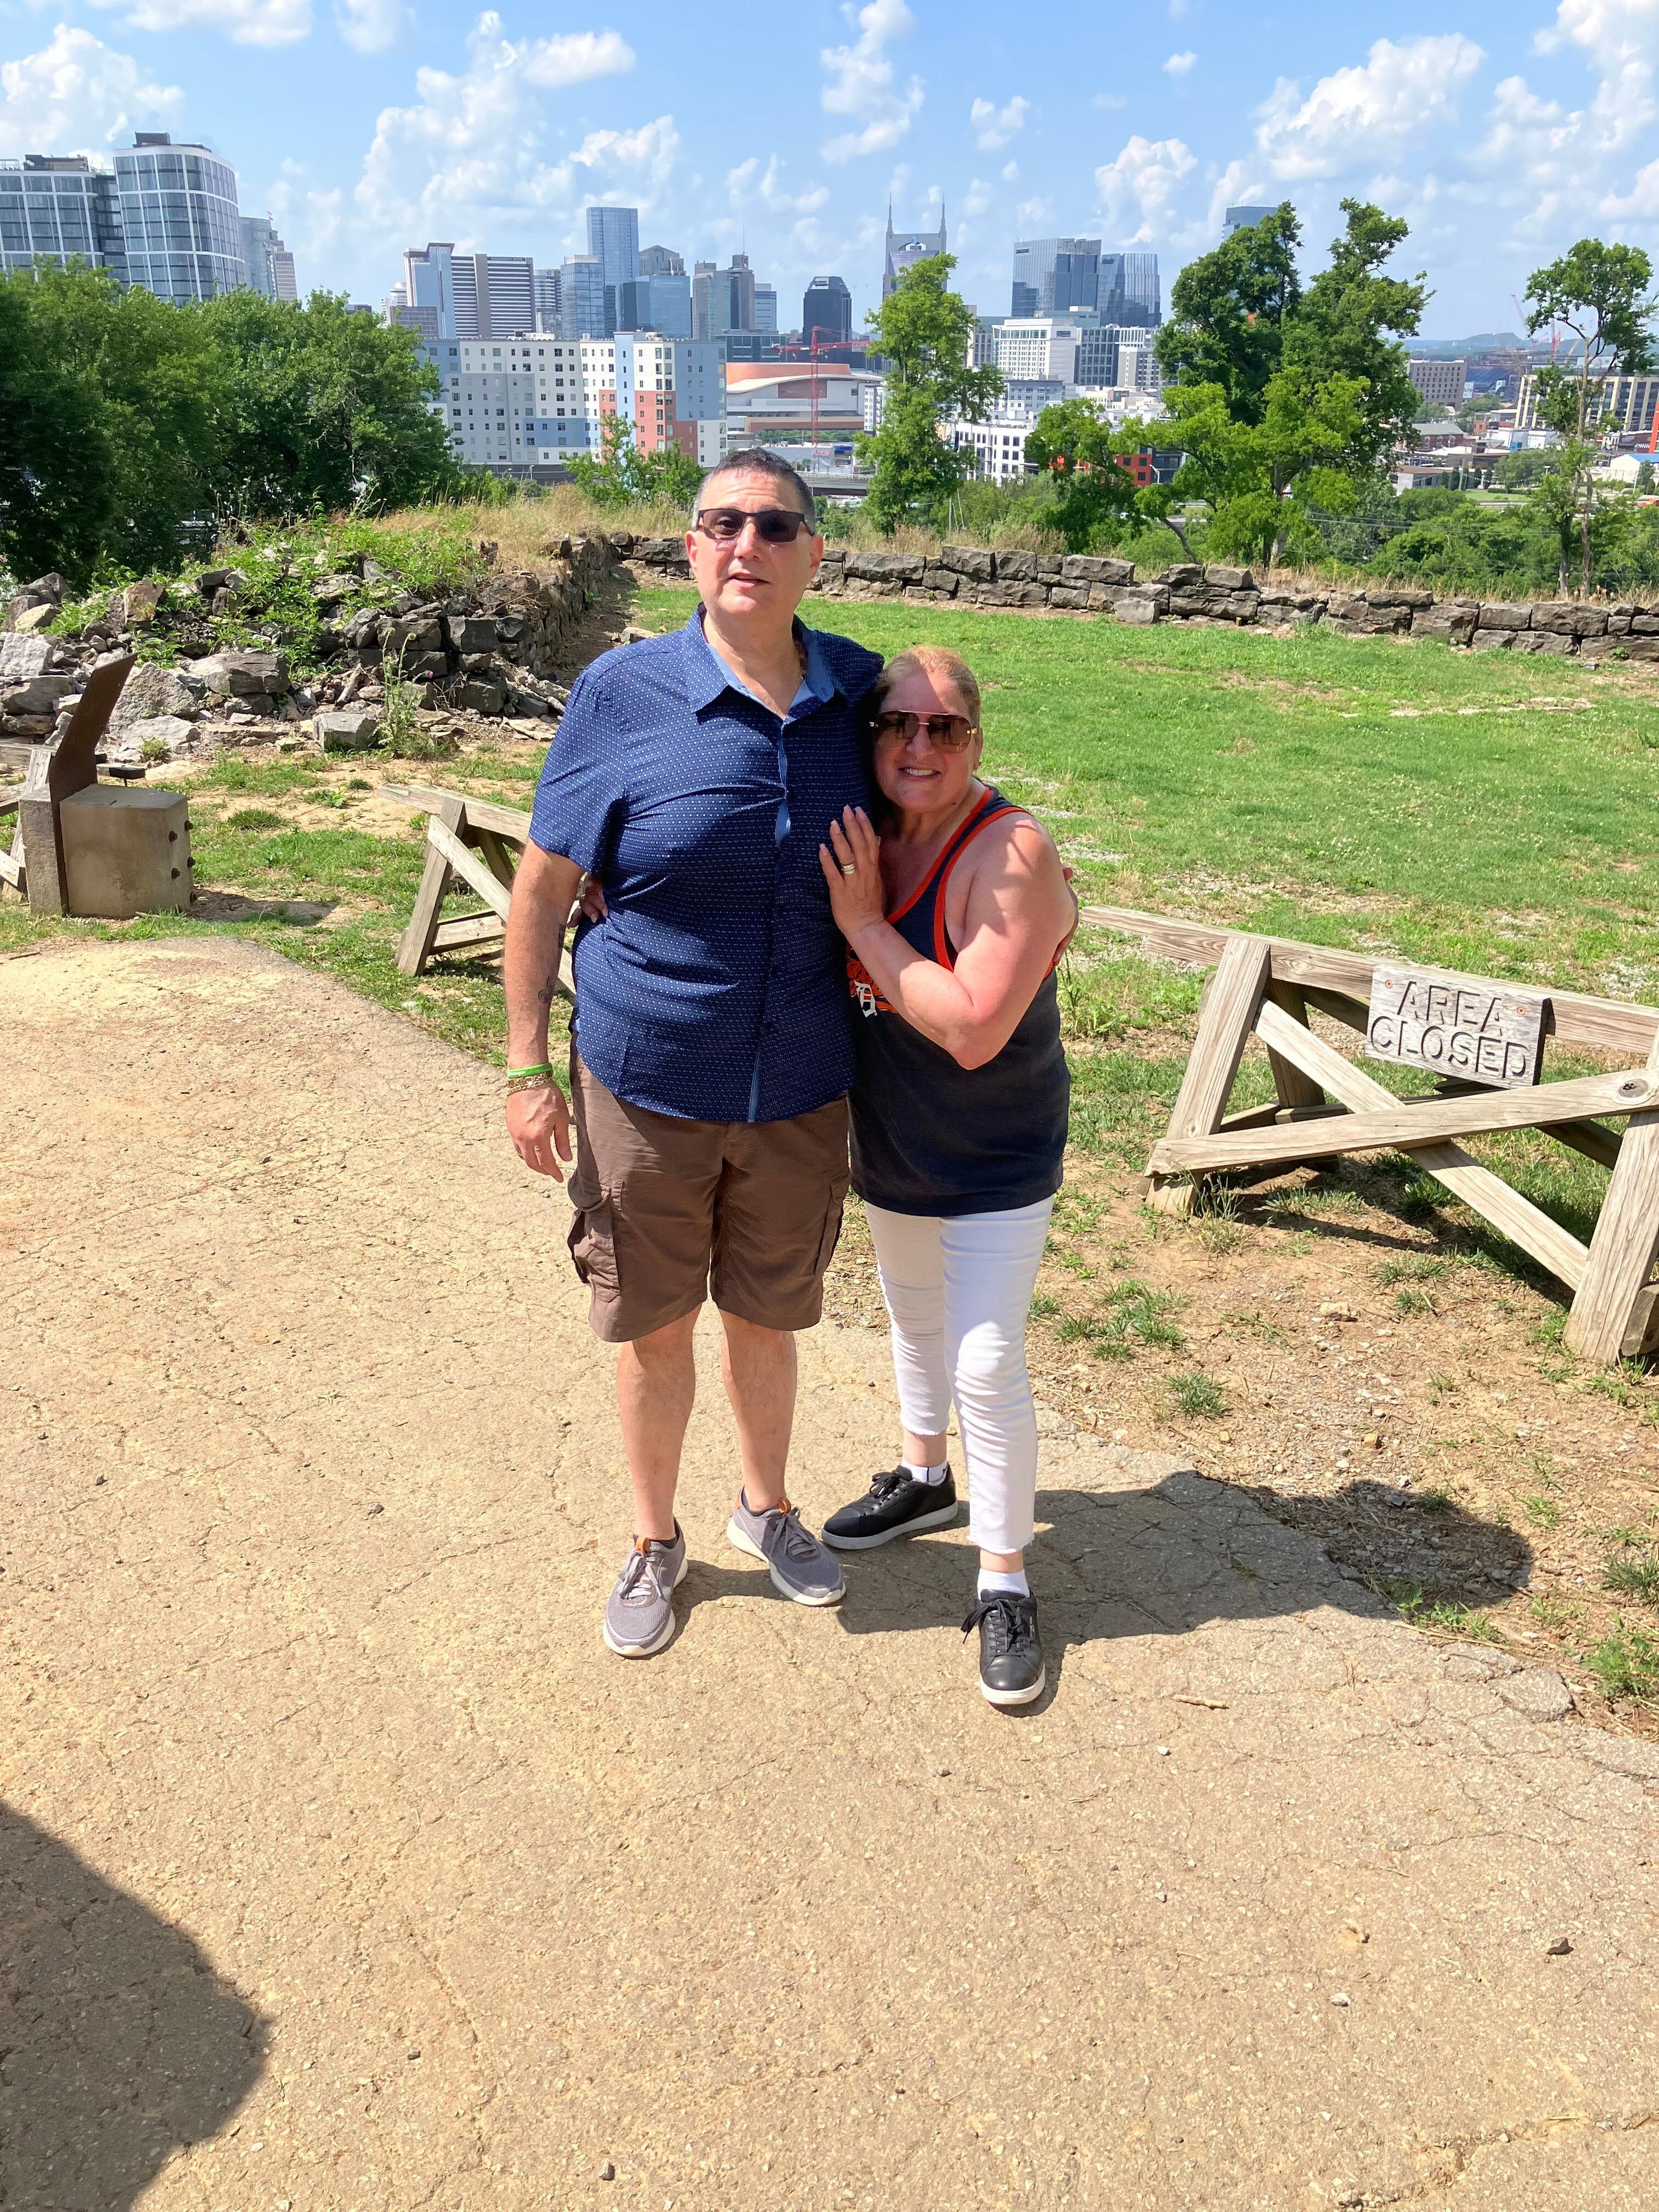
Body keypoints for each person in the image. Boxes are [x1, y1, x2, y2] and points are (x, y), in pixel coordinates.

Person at [502, 449, 883, 1659]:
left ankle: (767, 1508)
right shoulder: (623, 694)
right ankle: (654, 1538)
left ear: (814, 553)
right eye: (723, 523)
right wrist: (525, 1065)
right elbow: (543, 886)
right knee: (654, 1321)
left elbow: (941, 803)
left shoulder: (860, 697)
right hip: (648, 1080)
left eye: (774, 526)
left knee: (768, 1317)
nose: (746, 545)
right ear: (691, 548)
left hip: (800, 1083)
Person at [816, 647, 1074, 1707]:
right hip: (894, 1144)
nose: (917, 744)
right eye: (896, 723)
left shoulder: (1009, 851)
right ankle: (926, 1479)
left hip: (997, 1153)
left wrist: (865, 925)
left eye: (944, 728)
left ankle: (1005, 1580)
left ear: (976, 741)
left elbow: (971, 1029)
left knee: (985, 1359)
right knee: (914, 1322)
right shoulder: (866, 833)